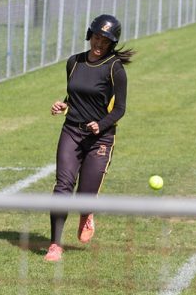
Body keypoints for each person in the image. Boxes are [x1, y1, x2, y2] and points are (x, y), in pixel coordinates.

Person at [45, 14, 135, 262]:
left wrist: (101, 124)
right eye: (97, 37)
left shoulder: (115, 68)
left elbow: (120, 109)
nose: (99, 44)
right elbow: (74, 96)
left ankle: (86, 213)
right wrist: (62, 106)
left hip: (101, 138)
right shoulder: (74, 62)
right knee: (62, 187)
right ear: (90, 35)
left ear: (112, 43)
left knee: (85, 194)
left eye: (105, 41)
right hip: (72, 131)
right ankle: (55, 244)